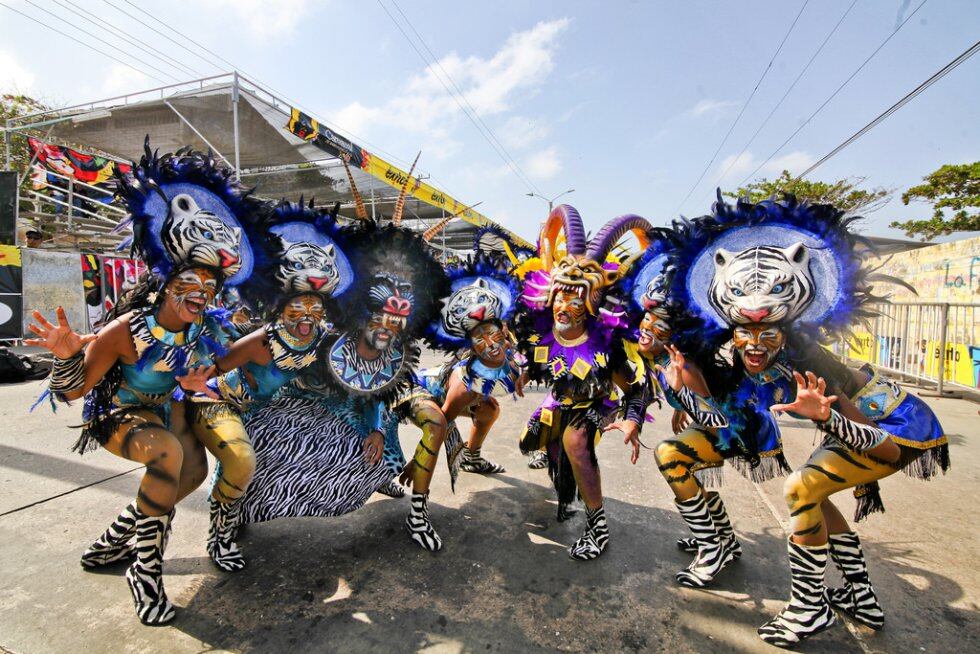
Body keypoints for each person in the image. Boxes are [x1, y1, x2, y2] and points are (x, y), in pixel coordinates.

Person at [666, 193, 950, 647]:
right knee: (816, 493)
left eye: (767, 333)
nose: (755, 342)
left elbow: (883, 447)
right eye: (745, 333)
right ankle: (862, 598)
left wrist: (827, 416)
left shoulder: (810, 366)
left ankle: (810, 607)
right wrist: (683, 388)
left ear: (788, 328)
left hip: (899, 425)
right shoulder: (742, 359)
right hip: (858, 428)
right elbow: (721, 419)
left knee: (801, 488)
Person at [26, 140, 256, 625]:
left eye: (209, 289)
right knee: (167, 455)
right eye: (190, 285)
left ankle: (112, 542)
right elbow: (72, 391)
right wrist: (67, 356)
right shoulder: (124, 330)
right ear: (165, 284)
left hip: (166, 411)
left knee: (189, 476)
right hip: (117, 415)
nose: (201, 295)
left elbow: (235, 354)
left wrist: (219, 379)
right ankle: (145, 573)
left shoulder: (206, 326)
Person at [228, 158, 457, 552]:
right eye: (383, 312)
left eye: (400, 316)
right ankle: (233, 508)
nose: (390, 322)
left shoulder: (399, 346)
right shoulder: (329, 332)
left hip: (392, 386)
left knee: (431, 421)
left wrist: (375, 420)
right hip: (332, 396)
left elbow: (381, 387)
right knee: (272, 433)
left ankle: (418, 511)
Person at [177, 198, 356, 571]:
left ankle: (242, 511)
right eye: (297, 310)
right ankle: (219, 533)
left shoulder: (322, 340)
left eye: (315, 310)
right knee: (241, 461)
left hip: (264, 408)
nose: (307, 317)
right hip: (221, 403)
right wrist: (189, 387)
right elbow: (211, 370)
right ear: (280, 309)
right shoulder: (262, 339)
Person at [514, 205, 652, 560]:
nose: (565, 304)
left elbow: (636, 388)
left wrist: (632, 419)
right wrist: (525, 371)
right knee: (533, 441)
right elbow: (532, 361)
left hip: (597, 405)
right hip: (560, 401)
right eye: (561, 294)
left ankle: (598, 528)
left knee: (576, 442)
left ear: (591, 300)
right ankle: (559, 472)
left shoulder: (606, 343)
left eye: (575, 297)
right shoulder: (545, 334)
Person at [421, 254, 526, 476]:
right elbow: (440, 425)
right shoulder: (463, 387)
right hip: (422, 392)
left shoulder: (505, 348)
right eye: (483, 338)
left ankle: (472, 458)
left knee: (489, 409)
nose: (494, 343)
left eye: (497, 333)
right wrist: (421, 469)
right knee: (439, 423)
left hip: (469, 387)